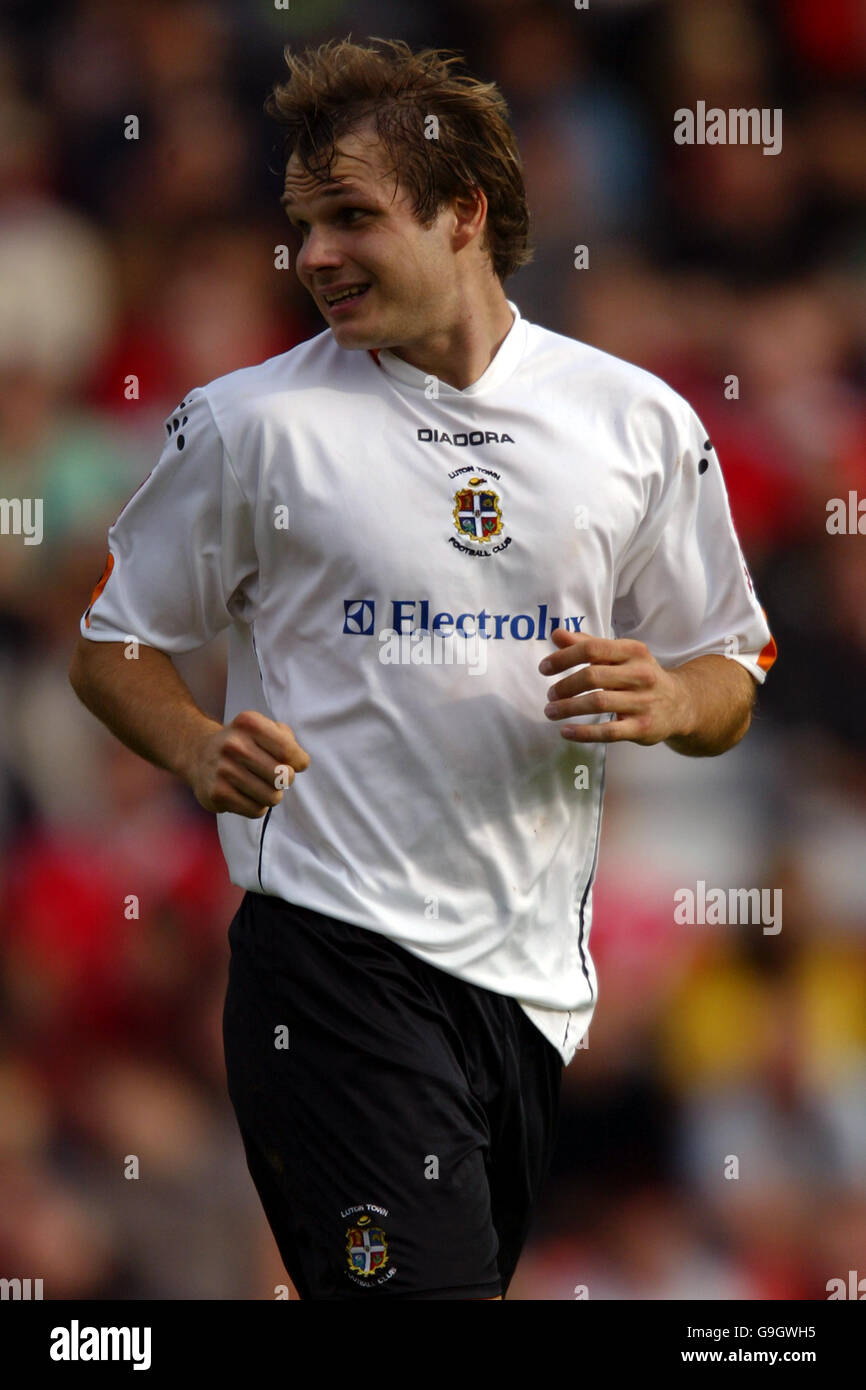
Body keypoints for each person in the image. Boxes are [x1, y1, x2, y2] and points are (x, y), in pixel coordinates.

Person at [68, 36, 777, 1301]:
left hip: (527, 992)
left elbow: (731, 664)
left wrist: (672, 698)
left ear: (464, 213)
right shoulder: (251, 427)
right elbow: (113, 649)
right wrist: (193, 745)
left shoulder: (633, 422)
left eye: (350, 217)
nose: (314, 255)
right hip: (329, 966)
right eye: (300, 225)